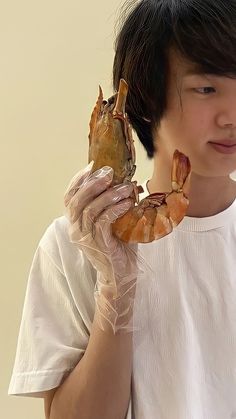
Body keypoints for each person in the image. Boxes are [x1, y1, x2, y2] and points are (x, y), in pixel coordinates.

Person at [8, 0, 236, 418]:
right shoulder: (72, 245)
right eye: (207, 88)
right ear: (146, 102)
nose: (232, 115)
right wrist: (116, 288)